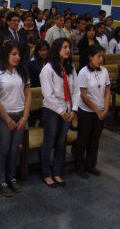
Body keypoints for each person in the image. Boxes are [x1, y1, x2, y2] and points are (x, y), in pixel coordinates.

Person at [0, 40, 31, 196]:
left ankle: (11, 177)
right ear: (6, 55)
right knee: (3, 149)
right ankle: (1, 180)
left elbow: (28, 95)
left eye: (19, 54)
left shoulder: (22, 71)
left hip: (20, 115)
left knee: (14, 149)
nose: (17, 57)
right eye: (14, 54)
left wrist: (25, 118)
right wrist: (8, 120)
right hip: (4, 117)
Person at [40, 38, 80, 187]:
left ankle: (56, 172)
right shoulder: (48, 69)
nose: (68, 50)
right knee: (49, 142)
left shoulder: (70, 67)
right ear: (56, 49)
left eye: (69, 47)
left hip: (68, 110)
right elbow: (48, 95)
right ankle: (46, 174)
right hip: (52, 110)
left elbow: (76, 90)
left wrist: (74, 109)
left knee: (60, 142)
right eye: (64, 47)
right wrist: (61, 111)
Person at [76, 44, 110, 179]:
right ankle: (79, 166)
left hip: (101, 110)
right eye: (98, 56)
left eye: (102, 56)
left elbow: (107, 91)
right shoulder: (83, 72)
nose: (101, 59)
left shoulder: (104, 71)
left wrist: (106, 108)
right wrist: (96, 110)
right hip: (87, 111)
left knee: (95, 139)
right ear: (90, 57)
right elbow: (83, 95)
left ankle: (91, 164)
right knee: (83, 138)